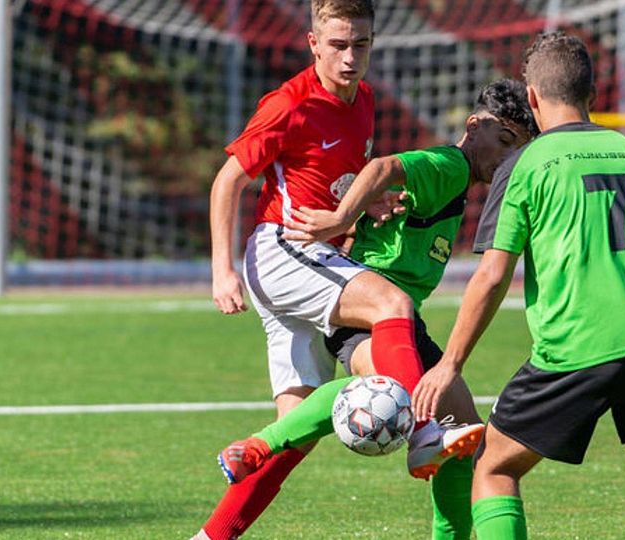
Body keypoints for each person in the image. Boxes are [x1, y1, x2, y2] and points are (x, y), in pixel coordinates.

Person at [410, 32, 625, 540]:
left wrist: (449, 365)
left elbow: (491, 276)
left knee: (493, 469)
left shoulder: (525, 164)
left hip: (576, 350)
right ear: (592, 96)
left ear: (531, 97)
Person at [197, 2, 479, 538]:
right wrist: (221, 270)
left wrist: (363, 205)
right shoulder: (288, 104)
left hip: (309, 255)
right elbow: (228, 181)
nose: (351, 58)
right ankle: (423, 430)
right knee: (391, 303)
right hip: (284, 249)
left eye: (362, 45)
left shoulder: (364, 100)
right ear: (313, 42)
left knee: (290, 437)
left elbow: (333, 181)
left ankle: (210, 536)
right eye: (339, 45)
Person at [214, 78, 538, 539]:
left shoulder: (457, 180)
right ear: (474, 126)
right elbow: (384, 166)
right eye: (503, 142)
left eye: (517, 150)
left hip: (399, 320)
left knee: (466, 435)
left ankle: (215, 528)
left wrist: (365, 206)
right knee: (380, 391)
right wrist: (345, 214)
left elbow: (375, 178)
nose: (507, 158)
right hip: (364, 309)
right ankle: (262, 444)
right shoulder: (448, 163)